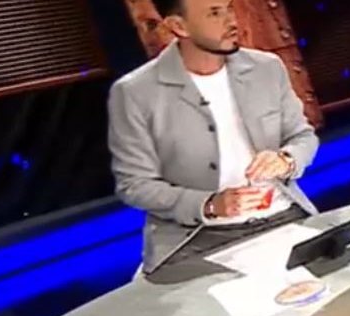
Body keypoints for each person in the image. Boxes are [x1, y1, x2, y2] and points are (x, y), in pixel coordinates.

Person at [109, 0, 320, 274]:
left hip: (283, 216)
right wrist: (209, 204)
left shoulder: (266, 68)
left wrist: (286, 160)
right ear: (178, 26)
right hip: (198, 236)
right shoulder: (136, 93)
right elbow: (134, 185)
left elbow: (303, 137)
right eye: (215, 13)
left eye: (229, 8)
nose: (232, 21)